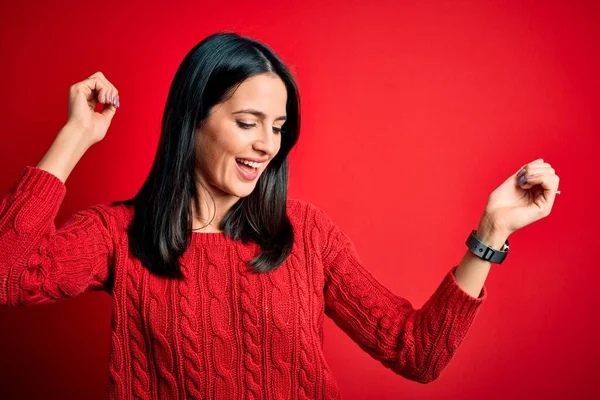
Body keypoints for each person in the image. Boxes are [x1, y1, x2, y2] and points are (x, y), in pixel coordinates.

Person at [0, 31, 560, 399]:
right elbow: (8, 274)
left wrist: (492, 233)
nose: (268, 144)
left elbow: (415, 352)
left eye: (278, 126)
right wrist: (75, 137)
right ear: (193, 119)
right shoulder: (118, 234)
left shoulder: (306, 235)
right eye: (248, 122)